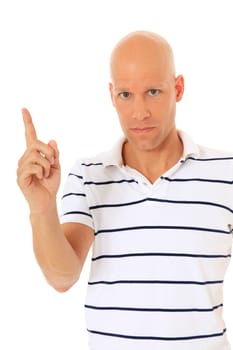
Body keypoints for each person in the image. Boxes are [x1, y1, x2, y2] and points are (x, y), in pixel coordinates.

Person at [17, 31, 233, 350]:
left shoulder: (225, 173)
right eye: (126, 95)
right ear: (111, 95)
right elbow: (61, 277)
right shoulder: (88, 175)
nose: (139, 112)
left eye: (153, 91)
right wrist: (41, 208)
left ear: (178, 88)